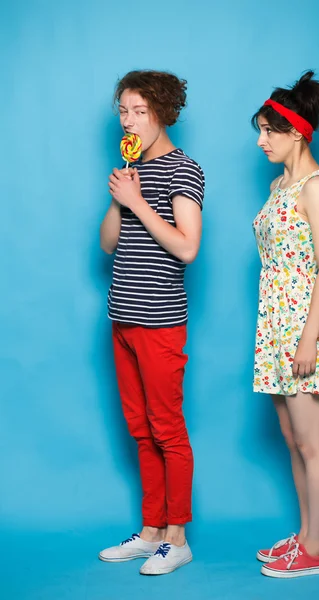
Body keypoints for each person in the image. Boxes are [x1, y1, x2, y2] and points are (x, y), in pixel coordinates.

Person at [98, 70, 205, 576]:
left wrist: (138, 200)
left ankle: (177, 539)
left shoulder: (184, 170)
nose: (130, 119)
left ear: (164, 113)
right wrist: (121, 196)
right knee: (140, 431)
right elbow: (108, 244)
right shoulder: (129, 167)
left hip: (160, 321)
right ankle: (151, 532)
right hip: (121, 317)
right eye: (124, 110)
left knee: (167, 430)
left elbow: (187, 247)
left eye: (140, 110)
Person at [252, 71, 319, 578]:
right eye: (260, 130)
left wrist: (308, 339)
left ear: (296, 132)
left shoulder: (316, 185)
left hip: (306, 332)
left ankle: (316, 551)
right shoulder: (277, 185)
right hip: (275, 331)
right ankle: (308, 536)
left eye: (269, 130)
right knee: (294, 443)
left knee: (315, 444)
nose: (261, 140)